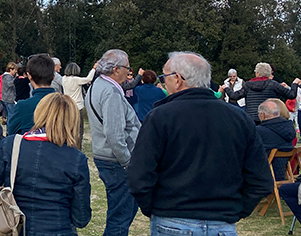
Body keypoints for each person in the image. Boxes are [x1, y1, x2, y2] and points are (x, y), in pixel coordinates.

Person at [128, 52, 272, 235]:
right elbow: (261, 178)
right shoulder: (239, 118)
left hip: (174, 217)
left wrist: (156, 208)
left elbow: (138, 175)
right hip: (216, 221)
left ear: (178, 79)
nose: (163, 82)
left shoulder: (160, 117)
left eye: (164, 77)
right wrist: (235, 209)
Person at [0, 93, 91, 236]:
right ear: (72, 121)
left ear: (39, 113)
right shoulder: (76, 158)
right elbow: (81, 218)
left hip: (16, 227)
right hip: (58, 228)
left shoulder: (11, 145)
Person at [86, 49, 140, 236]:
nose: (129, 72)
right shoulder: (111, 92)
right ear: (116, 69)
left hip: (107, 158)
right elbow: (114, 134)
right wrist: (128, 163)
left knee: (121, 212)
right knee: (120, 217)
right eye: (127, 68)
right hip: (116, 161)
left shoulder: (97, 86)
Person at [222, 62, 301, 123]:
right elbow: (292, 95)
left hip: (252, 118)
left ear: (257, 73)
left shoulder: (248, 85)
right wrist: (294, 84)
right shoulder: (273, 84)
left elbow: (234, 96)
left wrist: (226, 88)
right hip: (270, 119)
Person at [7, 54, 57, 136]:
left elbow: (11, 134)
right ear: (53, 77)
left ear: (29, 76)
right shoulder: (66, 105)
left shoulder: (22, 107)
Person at [256, 99, 296, 180]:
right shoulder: (289, 131)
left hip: (263, 177)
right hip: (281, 174)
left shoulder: (259, 132)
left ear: (262, 115)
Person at [61, 62, 95, 145]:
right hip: (77, 106)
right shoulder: (76, 80)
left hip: (68, 106)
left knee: (69, 128)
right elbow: (88, 79)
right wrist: (94, 69)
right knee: (79, 130)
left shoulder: (63, 79)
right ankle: (77, 147)